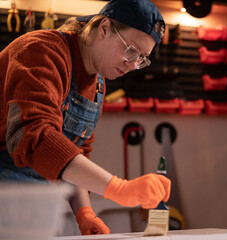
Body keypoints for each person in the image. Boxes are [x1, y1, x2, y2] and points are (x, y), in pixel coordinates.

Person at [0, 0, 171, 236]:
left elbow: (74, 153)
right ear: (104, 28)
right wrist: (119, 188)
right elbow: (33, 136)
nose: (132, 65)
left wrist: (85, 213)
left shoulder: (97, 83)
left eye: (141, 58)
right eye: (130, 50)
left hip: (32, 203)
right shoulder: (41, 51)